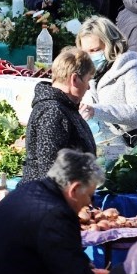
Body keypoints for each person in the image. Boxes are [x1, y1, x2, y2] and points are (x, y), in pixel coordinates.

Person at [75, 16, 137, 160]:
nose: (90, 56)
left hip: (124, 150)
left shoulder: (131, 68)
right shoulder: (86, 71)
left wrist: (96, 110)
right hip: (94, 150)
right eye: (86, 52)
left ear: (110, 44)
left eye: (95, 50)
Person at [23, 47, 97, 180]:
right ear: (74, 79)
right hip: (47, 198)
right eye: (87, 80)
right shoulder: (53, 111)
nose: (88, 87)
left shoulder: (64, 107)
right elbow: (50, 172)